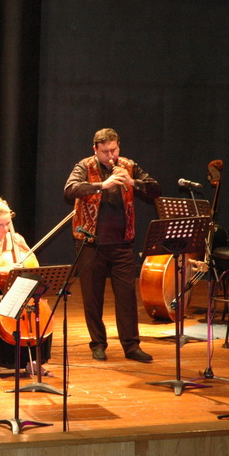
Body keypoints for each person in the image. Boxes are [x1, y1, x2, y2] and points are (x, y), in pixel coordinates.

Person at [64, 128, 161, 363]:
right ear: (95, 149)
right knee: (93, 298)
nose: (111, 155)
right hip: (91, 244)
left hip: (122, 244)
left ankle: (131, 346)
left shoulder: (128, 165)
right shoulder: (84, 166)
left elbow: (155, 190)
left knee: (127, 297)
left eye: (114, 150)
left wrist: (132, 181)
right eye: (105, 151)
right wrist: (102, 185)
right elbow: (70, 190)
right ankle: (98, 344)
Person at [0, 197, 52, 378]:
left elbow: (34, 267)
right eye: (0, 224)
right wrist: (3, 269)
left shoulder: (16, 238)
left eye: (8, 223)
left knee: (39, 316)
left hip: (10, 294)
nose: (5, 228)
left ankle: (32, 362)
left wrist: (25, 248)